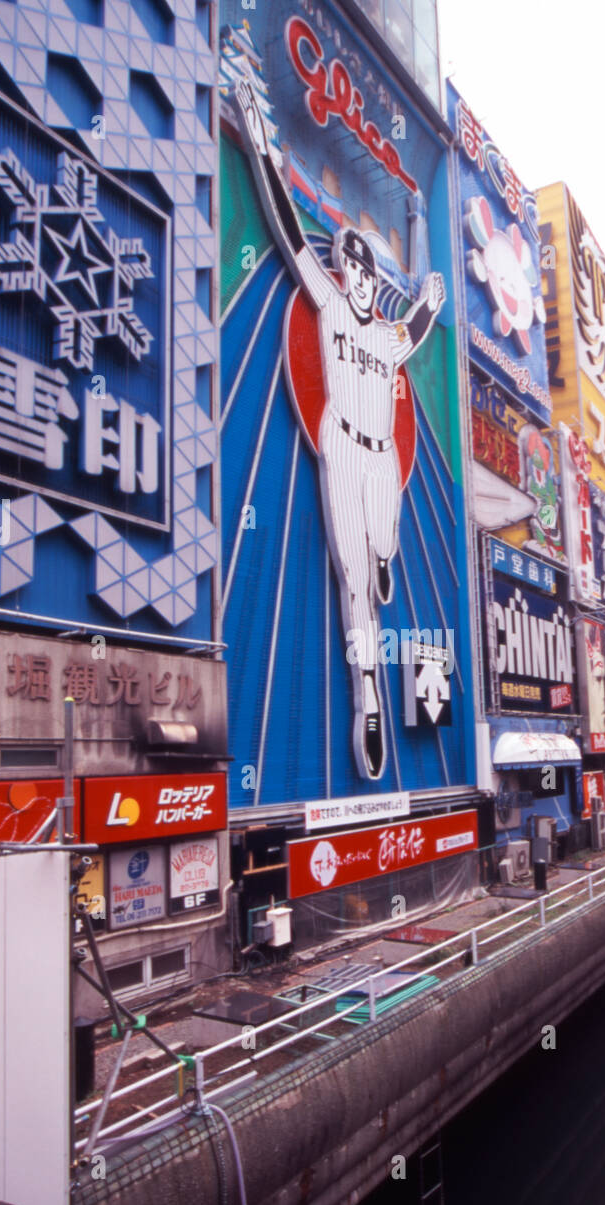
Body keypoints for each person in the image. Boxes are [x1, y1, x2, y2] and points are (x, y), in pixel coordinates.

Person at [234, 77, 445, 780]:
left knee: (381, 548)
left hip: (384, 462)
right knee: (355, 585)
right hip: (342, 450)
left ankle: (385, 552)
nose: (355, 271)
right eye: (349, 260)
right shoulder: (326, 303)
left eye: (363, 264)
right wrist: (264, 150)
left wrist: (429, 302)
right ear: (341, 268)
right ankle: (370, 700)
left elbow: (412, 335)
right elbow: (293, 239)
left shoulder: (383, 336)